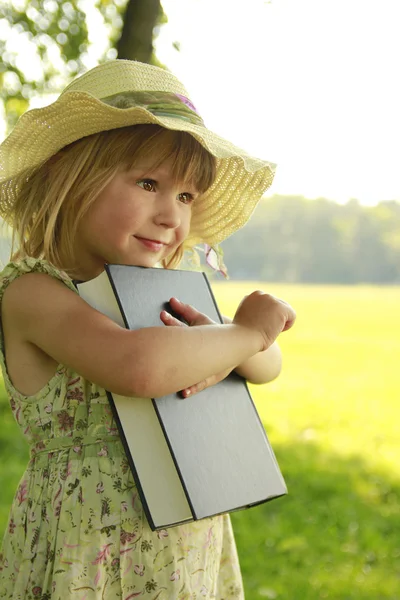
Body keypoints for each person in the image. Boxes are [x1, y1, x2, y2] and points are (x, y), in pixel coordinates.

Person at [0, 60, 296, 599]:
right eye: (148, 183)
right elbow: (138, 366)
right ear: (71, 176)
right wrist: (241, 337)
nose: (171, 217)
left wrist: (241, 340)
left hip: (184, 536)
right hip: (89, 551)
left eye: (186, 197)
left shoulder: (158, 292)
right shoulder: (35, 293)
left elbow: (266, 366)